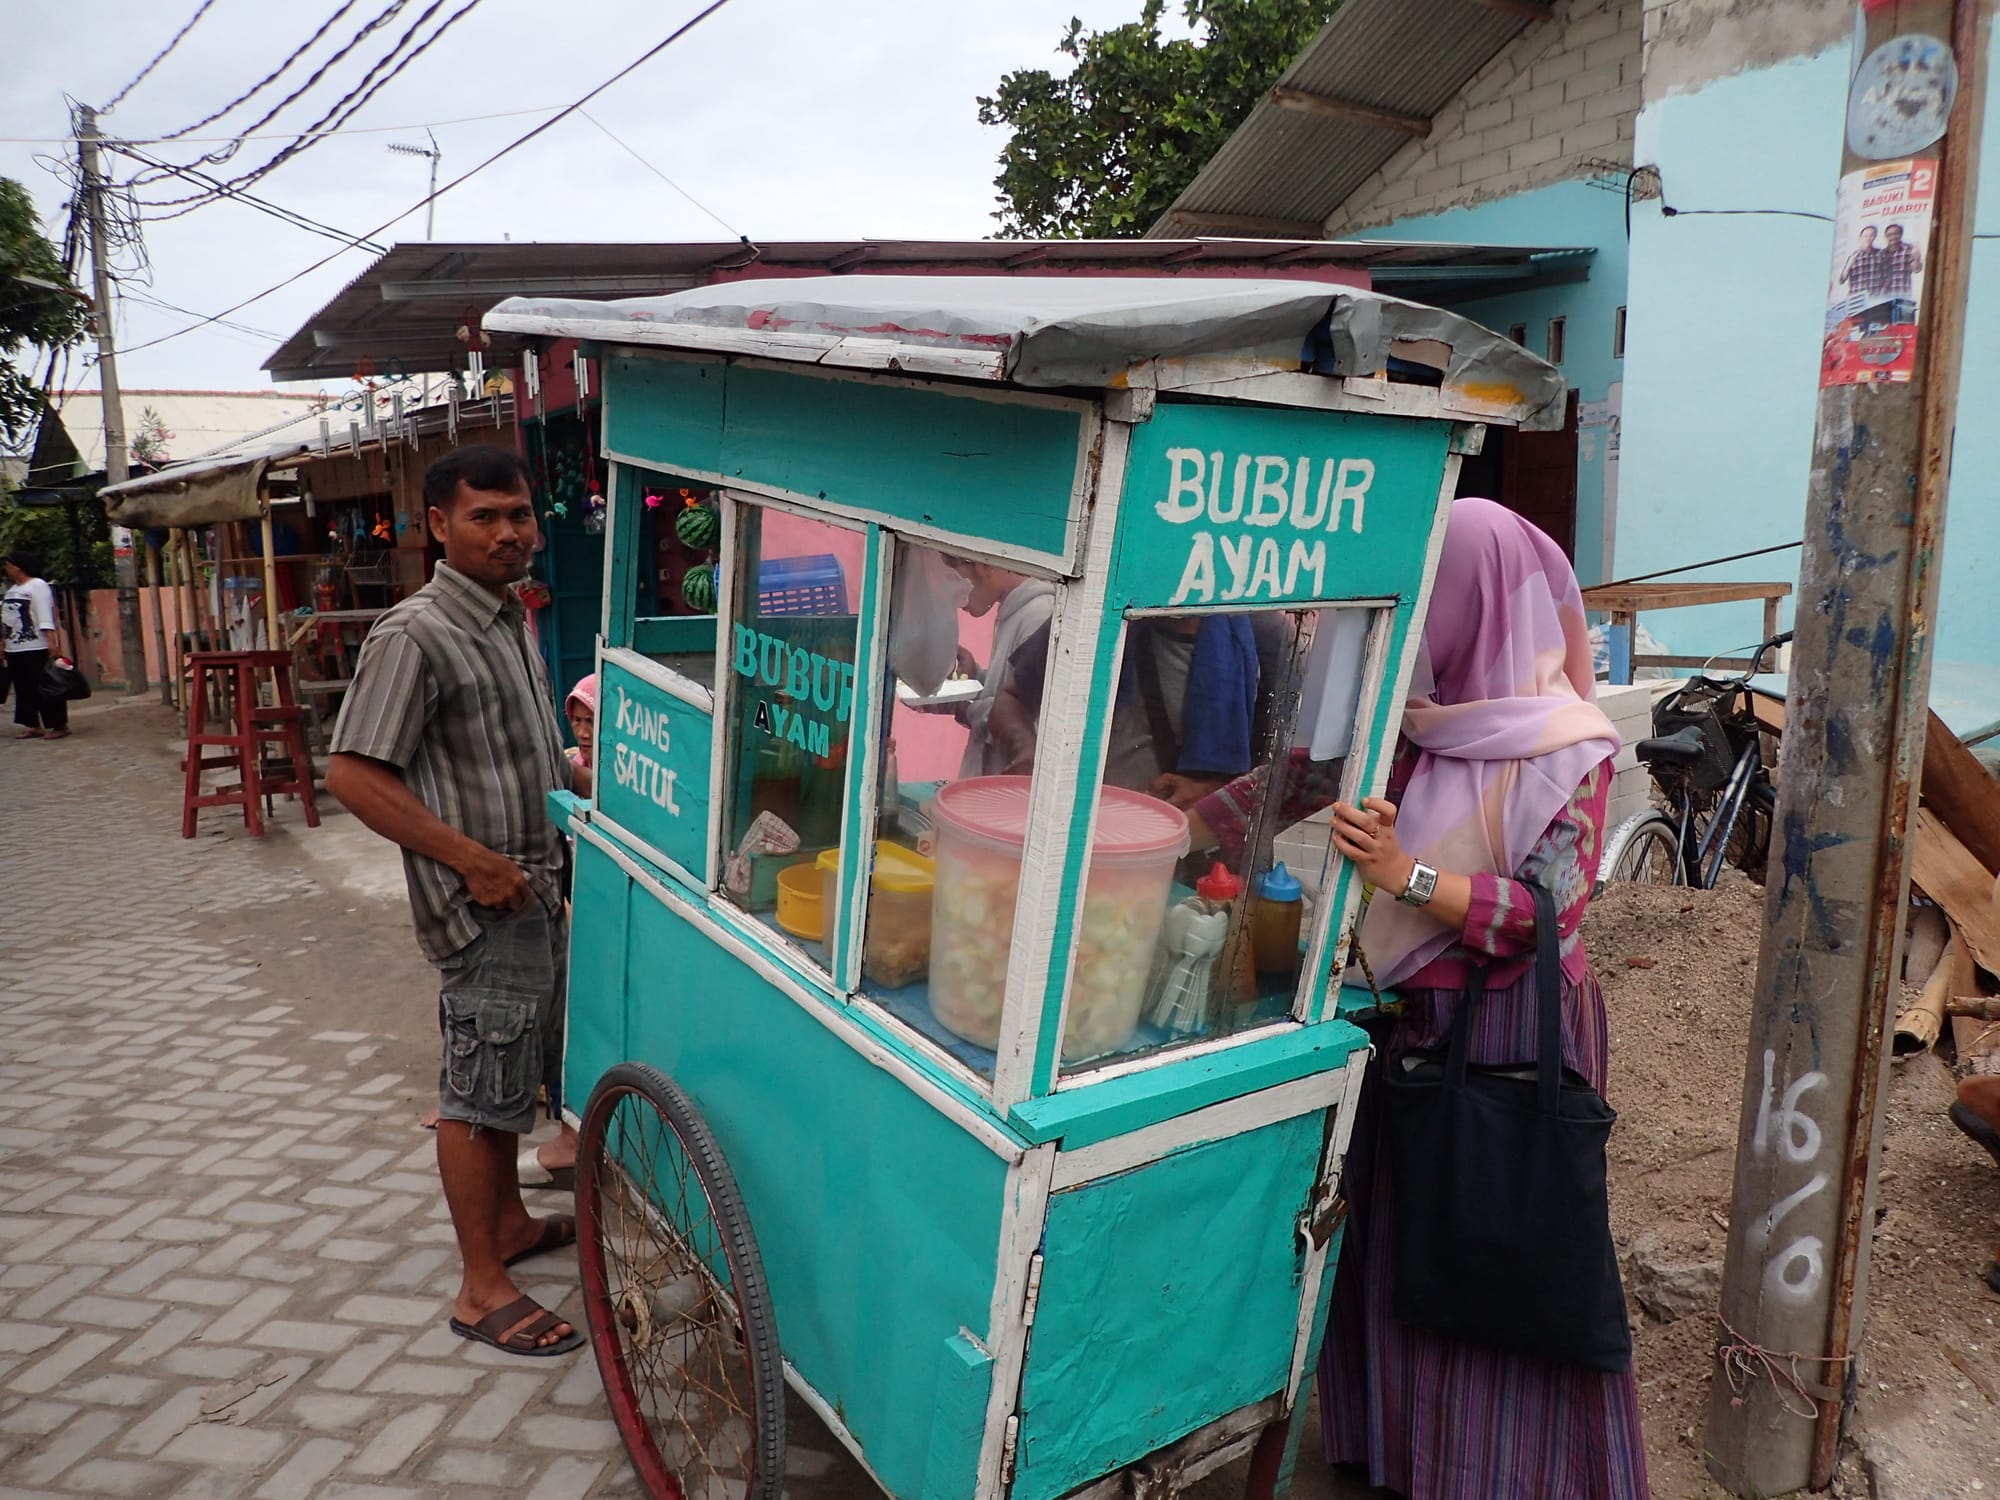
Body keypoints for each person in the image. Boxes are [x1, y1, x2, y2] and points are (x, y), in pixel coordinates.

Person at [1312, 498, 1646, 1499]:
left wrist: (1407, 877)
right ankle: (1397, 1455)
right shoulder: (1416, 726)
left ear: (1481, 600)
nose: (1423, 623)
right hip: (1412, 1019)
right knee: (1409, 1237)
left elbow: (1546, 908)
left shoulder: (1567, 745)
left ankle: (1508, 1474)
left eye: (1437, 597)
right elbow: (1304, 787)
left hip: (1510, 1025)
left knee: (1499, 1230)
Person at [325, 445, 583, 1358]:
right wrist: (472, 861)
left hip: (538, 887)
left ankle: (510, 1227)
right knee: (476, 1094)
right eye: (486, 517)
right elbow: (353, 773)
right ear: (439, 525)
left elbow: (511, 753)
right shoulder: (417, 632)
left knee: (513, 1076)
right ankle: (482, 1288)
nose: (510, 532)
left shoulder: (508, 618)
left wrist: (577, 776)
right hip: (486, 904)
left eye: (519, 514)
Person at [999, 613, 1261, 808]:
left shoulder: (1261, 635)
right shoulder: (1090, 613)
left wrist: (1207, 791)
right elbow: (1011, 699)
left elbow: (1273, 778)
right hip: (1076, 828)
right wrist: (1028, 752)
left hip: (1180, 853)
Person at [947, 558, 1055, 778]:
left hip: (1006, 789)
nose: (953, 596)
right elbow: (1010, 686)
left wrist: (967, 706)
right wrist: (976, 676)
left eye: (953, 577)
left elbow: (1028, 719)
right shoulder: (1013, 609)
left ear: (983, 565)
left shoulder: (1038, 615)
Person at [3, 551, 70, 741]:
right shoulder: (12, 590)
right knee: (23, 688)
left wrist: (51, 641)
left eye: (8, 565)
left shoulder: (38, 586)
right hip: (15, 648)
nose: (6, 570)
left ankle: (58, 723)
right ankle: (32, 724)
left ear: (18, 567)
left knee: (46, 686)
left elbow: (44, 616)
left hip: (36, 646)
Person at [563, 672, 598, 798]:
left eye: (591, 721)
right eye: (577, 720)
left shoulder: (631, 780)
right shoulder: (568, 763)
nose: (582, 733)